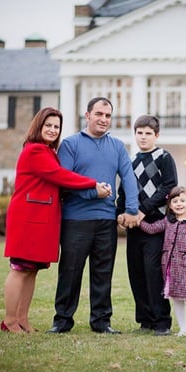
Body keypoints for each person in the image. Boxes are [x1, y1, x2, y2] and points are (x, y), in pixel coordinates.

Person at [2, 107, 112, 333]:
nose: (53, 130)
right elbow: (60, 175)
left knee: (31, 269)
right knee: (19, 268)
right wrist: (92, 184)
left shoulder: (47, 151)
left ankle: (23, 319)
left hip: (41, 218)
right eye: (48, 125)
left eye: (56, 127)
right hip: (28, 217)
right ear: (38, 126)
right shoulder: (35, 151)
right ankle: (10, 321)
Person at [47, 97, 139, 334]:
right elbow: (64, 181)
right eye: (99, 114)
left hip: (106, 221)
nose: (103, 119)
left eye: (108, 116)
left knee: (103, 273)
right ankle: (62, 320)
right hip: (75, 220)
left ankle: (101, 321)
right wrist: (92, 192)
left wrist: (131, 209)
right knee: (70, 272)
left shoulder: (118, 146)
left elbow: (128, 178)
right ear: (87, 116)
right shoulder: (70, 144)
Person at [117, 115, 178, 336]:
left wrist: (143, 211)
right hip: (134, 227)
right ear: (135, 135)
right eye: (139, 133)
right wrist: (121, 213)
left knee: (154, 272)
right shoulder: (131, 161)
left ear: (156, 135)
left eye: (148, 133)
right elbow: (123, 191)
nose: (143, 137)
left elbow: (168, 187)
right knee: (136, 272)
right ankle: (145, 320)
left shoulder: (163, 157)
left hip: (156, 225)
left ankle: (162, 322)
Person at [138, 186, 186, 340]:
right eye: (175, 201)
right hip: (171, 268)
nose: (179, 204)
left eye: (182, 201)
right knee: (176, 299)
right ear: (169, 205)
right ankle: (183, 329)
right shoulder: (167, 222)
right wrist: (137, 219)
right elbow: (151, 229)